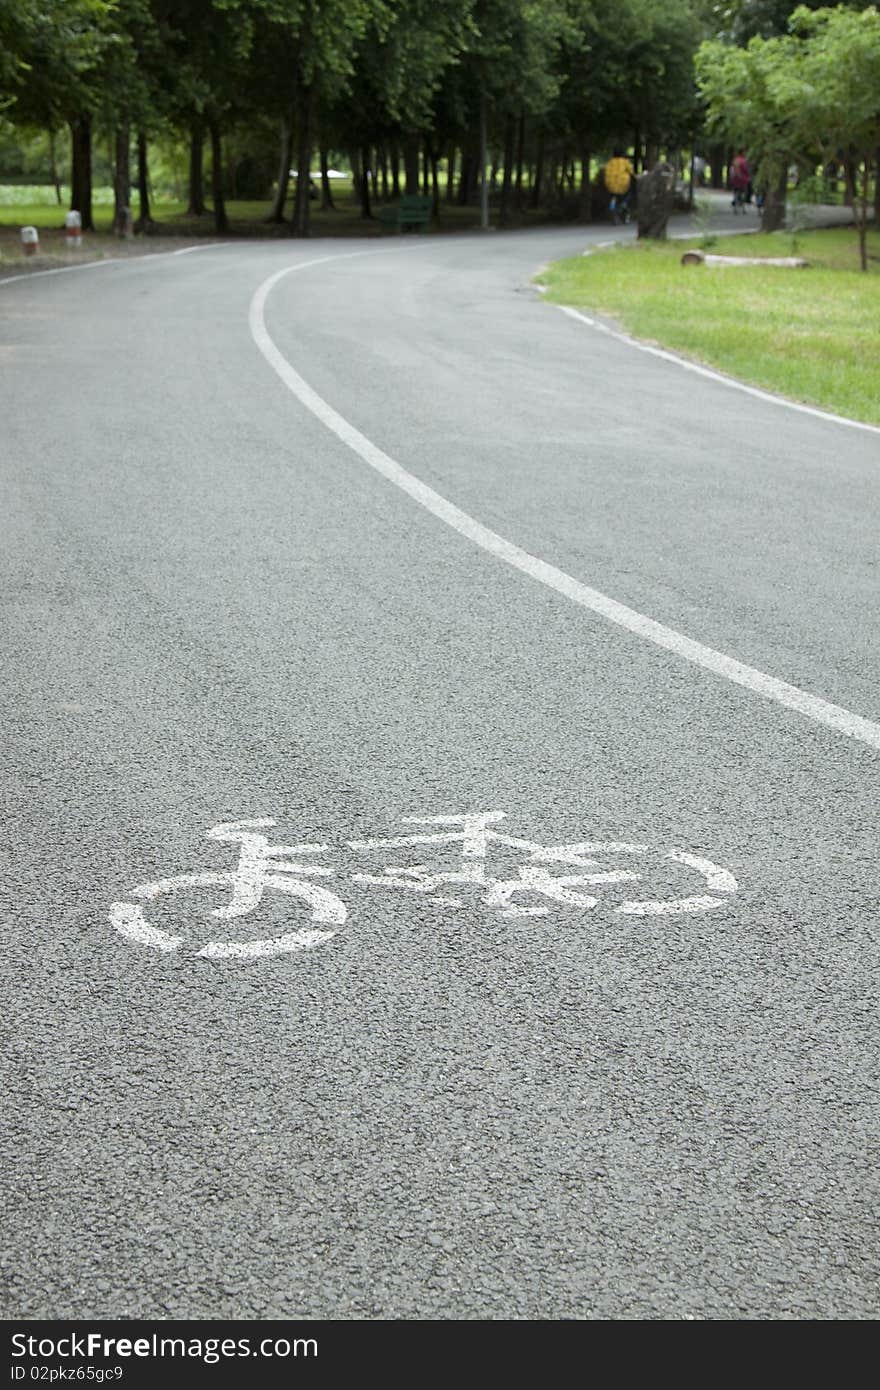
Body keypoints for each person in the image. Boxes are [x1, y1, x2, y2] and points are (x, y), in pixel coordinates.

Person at [604, 147, 635, 223]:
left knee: (613, 196)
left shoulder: (609, 163)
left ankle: (613, 210)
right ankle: (624, 204)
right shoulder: (625, 162)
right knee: (631, 193)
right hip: (623, 186)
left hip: (610, 186)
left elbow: (606, 173)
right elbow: (631, 172)